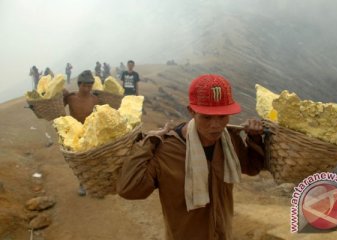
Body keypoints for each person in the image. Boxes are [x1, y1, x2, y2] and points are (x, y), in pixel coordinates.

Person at [117, 74, 265, 240]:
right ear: (191, 111)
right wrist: (148, 143)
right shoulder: (166, 151)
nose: (215, 125)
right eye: (206, 117)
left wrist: (255, 137)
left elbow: (252, 168)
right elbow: (129, 189)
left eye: (222, 116)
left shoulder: (229, 140)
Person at [63, 70, 99, 196]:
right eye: (84, 86)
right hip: (76, 134)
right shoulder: (71, 98)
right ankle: (82, 184)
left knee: (93, 160)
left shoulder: (95, 99)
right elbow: (58, 105)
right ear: (79, 85)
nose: (87, 89)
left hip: (91, 133)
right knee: (80, 161)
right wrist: (61, 94)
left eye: (89, 86)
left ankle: (96, 186)